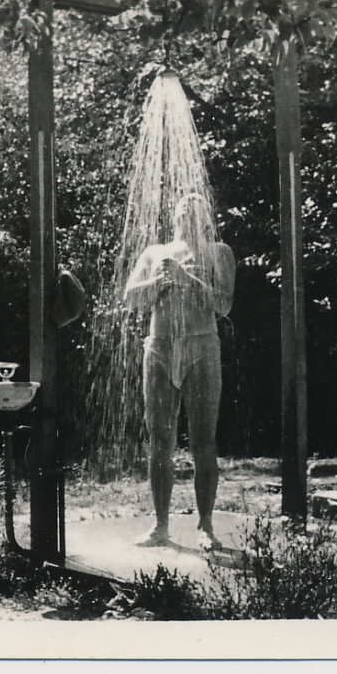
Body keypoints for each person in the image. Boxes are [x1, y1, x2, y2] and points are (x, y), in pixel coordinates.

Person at [124, 193, 236, 550]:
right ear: (173, 214)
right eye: (182, 201)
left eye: (196, 201)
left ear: (206, 214)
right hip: (159, 347)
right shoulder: (155, 252)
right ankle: (160, 526)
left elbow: (223, 304)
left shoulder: (219, 251)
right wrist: (155, 283)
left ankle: (205, 527)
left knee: (203, 440)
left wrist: (186, 279)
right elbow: (129, 298)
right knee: (159, 440)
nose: (188, 203)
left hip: (201, 346)